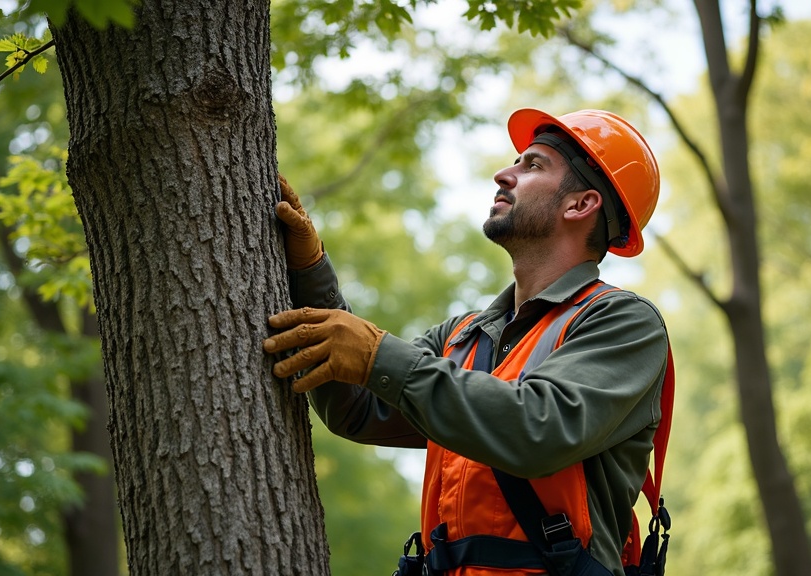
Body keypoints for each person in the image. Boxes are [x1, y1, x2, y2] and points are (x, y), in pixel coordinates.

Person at [262, 108, 671, 576]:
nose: (504, 173)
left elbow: (539, 429)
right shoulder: (464, 336)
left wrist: (379, 354)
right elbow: (357, 407)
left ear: (580, 205)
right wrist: (309, 270)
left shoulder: (622, 322)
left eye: (532, 165)